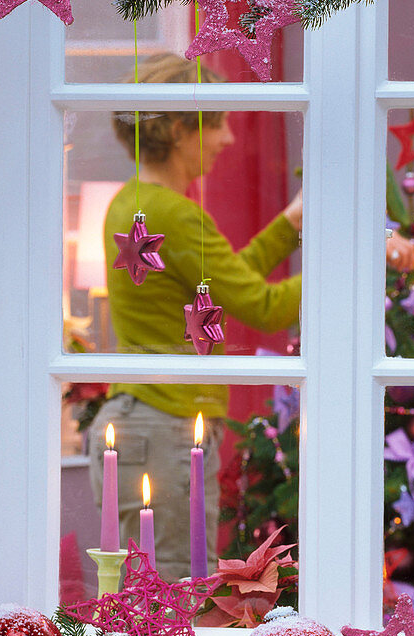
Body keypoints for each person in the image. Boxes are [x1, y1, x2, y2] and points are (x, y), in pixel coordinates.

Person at [88, 54, 303, 580]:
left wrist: (291, 224)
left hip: (145, 420)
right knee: (174, 599)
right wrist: (355, 268)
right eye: (220, 123)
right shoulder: (175, 214)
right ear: (182, 130)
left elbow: (224, 287)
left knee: (149, 593)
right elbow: (262, 305)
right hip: (163, 430)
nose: (229, 139)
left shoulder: (134, 203)